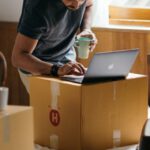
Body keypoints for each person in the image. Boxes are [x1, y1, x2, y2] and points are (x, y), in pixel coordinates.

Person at [12, 0, 97, 93]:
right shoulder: (38, 6)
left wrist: (86, 29)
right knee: (49, 106)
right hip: (36, 65)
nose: (76, 5)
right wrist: (56, 69)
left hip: (66, 55)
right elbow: (18, 58)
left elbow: (89, 5)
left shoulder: (78, 2)